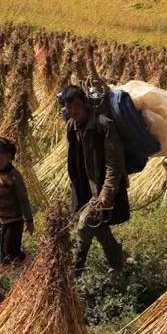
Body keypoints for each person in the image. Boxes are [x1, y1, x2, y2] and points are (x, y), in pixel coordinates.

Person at [61, 85, 128, 275]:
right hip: (83, 188)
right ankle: (119, 265)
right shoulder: (71, 126)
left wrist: (107, 192)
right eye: (68, 107)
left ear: (85, 104)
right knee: (99, 227)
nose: (72, 111)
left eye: (76, 106)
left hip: (101, 189)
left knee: (84, 226)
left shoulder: (103, 125)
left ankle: (75, 272)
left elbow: (114, 164)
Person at [0, 136, 35, 268]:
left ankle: (28, 262)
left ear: (8, 157)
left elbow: (24, 200)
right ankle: (2, 271)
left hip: (13, 221)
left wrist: (28, 220)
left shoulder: (14, 177)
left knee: (11, 252)